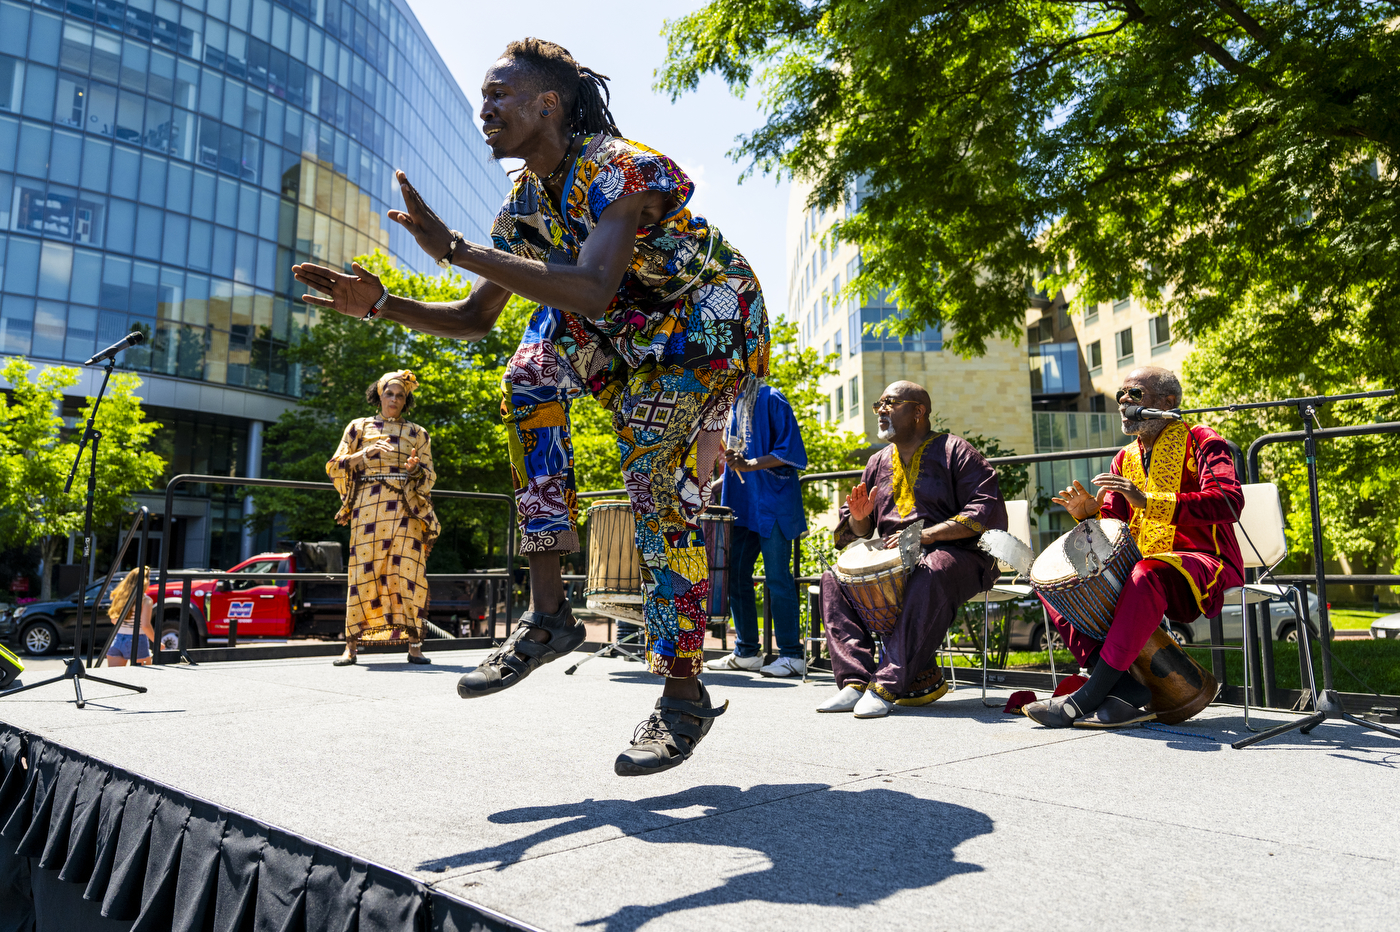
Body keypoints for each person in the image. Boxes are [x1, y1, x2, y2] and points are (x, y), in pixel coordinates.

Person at [291, 39, 768, 776]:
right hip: (616, 327)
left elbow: (591, 286)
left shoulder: (621, 166)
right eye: (483, 99)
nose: (484, 112)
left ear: (548, 104)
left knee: (651, 482)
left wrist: (453, 246)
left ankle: (683, 692)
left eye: (498, 97)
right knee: (525, 374)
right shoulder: (522, 206)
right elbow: (477, 318)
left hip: (699, 328)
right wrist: (384, 305)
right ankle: (549, 616)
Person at [1023, 366, 1243, 728]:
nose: (1124, 401)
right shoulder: (1125, 458)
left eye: (1135, 395)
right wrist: (1090, 515)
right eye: (1120, 395)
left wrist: (1149, 500)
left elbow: (1229, 501)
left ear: (1167, 402)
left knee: (1145, 573)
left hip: (1204, 562)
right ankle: (1123, 687)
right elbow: (1115, 525)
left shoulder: (1203, 440)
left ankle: (1088, 698)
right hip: (1141, 568)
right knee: (1053, 585)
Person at [818, 381, 1007, 718]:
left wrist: (927, 536)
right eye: (878, 404)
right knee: (833, 579)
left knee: (930, 569)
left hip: (960, 555)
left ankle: (887, 685)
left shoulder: (955, 451)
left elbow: (984, 509)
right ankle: (854, 682)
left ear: (919, 411)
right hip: (894, 557)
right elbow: (858, 528)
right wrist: (861, 519)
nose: (880, 410)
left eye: (890, 402)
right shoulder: (877, 462)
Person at [325, 370, 441, 666]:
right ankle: (351, 646)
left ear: (406, 400)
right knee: (362, 572)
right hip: (368, 509)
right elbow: (334, 466)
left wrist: (415, 470)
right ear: (378, 395)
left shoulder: (419, 433)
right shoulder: (358, 427)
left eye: (400, 395)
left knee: (409, 573)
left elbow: (429, 477)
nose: (394, 399)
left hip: (406, 509)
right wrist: (364, 454)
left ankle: (414, 646)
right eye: (389, 393)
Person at [706, 379, 809, 677]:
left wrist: (749, 463)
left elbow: (791, 453)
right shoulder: (731, 404)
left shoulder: (773, 398)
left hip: (774, 503)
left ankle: (792, 655)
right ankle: (747, 651)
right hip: (742, 504)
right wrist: (709, 488)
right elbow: (737, 465)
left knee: (777, 578)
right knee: (735, 576)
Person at [105, 568, 155, 667]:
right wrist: (157, 642)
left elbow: (114, 620)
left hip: (118, 639)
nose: (150, 581)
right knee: (144, 678)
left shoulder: (119, 597)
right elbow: (145, 625)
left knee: (115, 678)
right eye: (149, 579)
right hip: (138, 640)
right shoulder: (145, 600)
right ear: (145, 582)